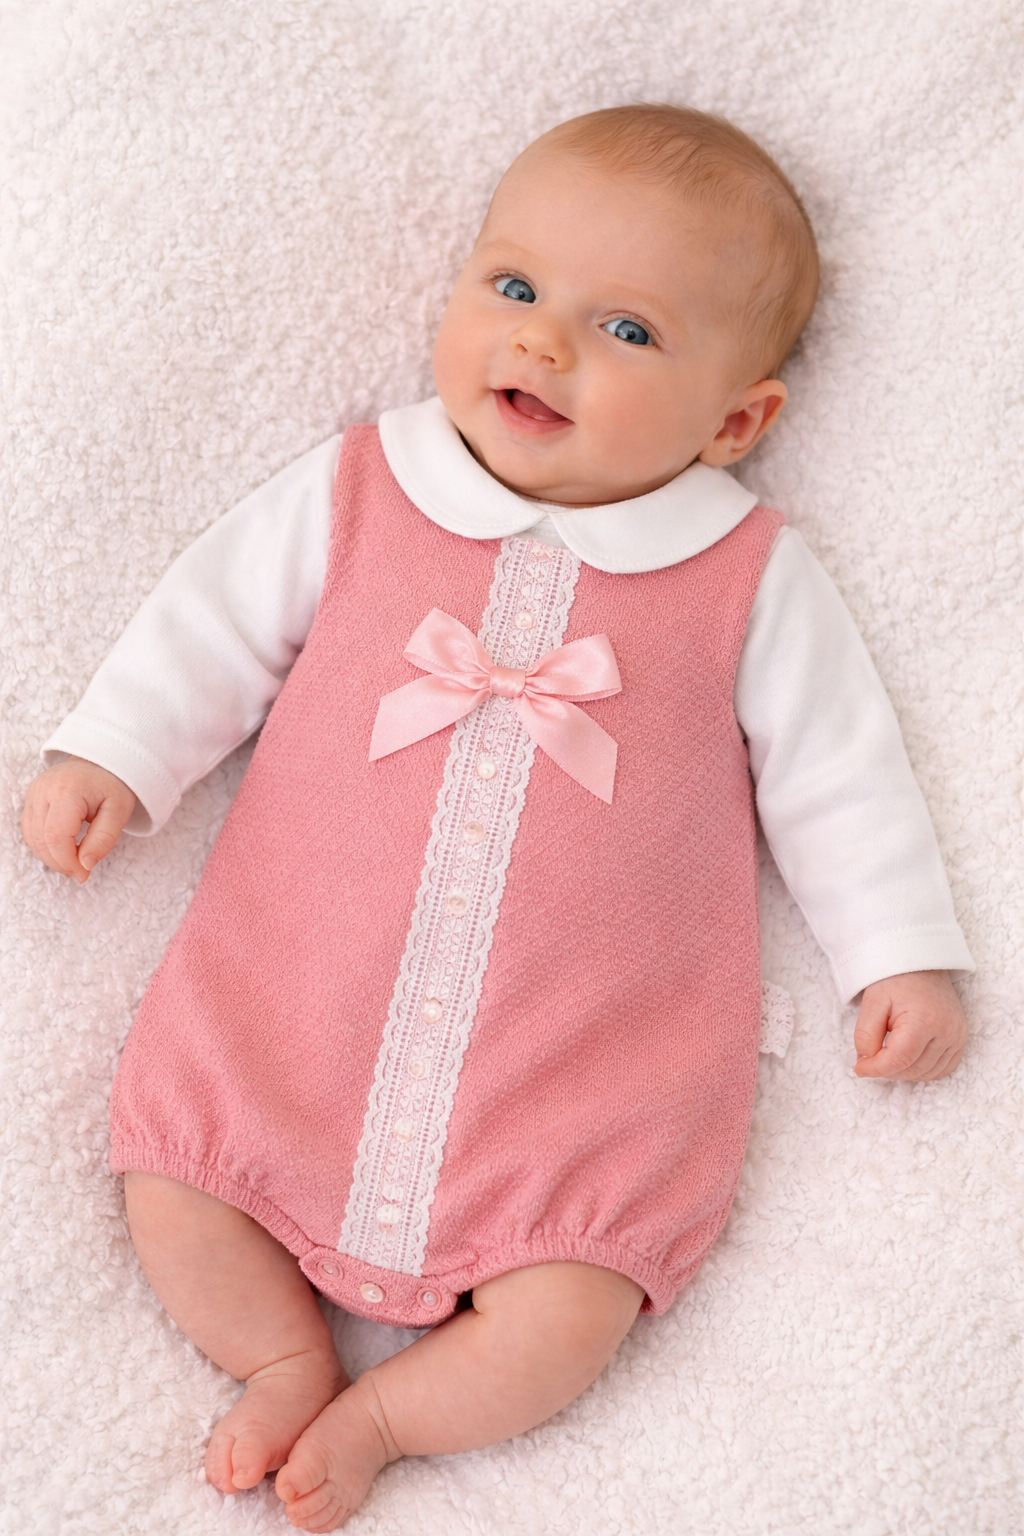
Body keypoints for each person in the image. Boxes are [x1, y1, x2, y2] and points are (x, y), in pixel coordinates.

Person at [21, 105, 972, 1532]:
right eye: (515, 291)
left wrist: (896, 952)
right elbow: (210, 625)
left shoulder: (749, 579)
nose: (541, 345)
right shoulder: (362, 486)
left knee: (573, 1308)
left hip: (576, 1084)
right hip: (291, 1015)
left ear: (738, 419)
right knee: (173, 1179)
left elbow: (840, 772)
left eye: (627, 331)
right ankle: (280, 1356)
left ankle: (393, 1415)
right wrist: (113, 752)